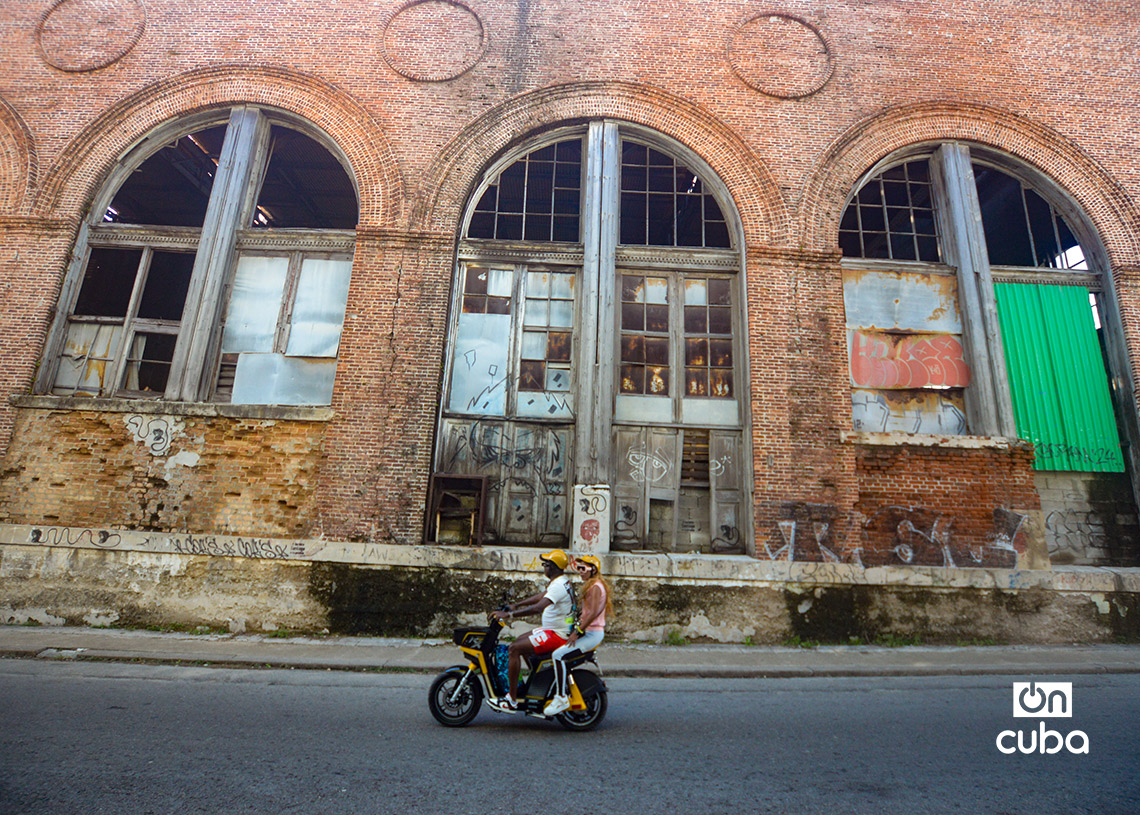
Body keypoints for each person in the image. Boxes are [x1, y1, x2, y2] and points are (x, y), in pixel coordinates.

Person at [489, 549, 575, 712]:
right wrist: (516, 605)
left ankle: (512, 700)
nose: (544, 567)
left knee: (514, 649)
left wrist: (509, 614)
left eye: (546, 564)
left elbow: (538, 608)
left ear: (554, 567)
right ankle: (536, 682)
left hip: (556, 634)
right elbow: (541, 596)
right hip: (552, 630)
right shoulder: (561, 581)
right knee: (519, 640)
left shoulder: (558, 586)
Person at [544, 553, 610, 716]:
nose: (579, 571)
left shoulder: (595, 587)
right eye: (577, 568)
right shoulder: (594, 584)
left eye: (582, 568)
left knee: (558, 655)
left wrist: (577, 632)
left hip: (592, 634)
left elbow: (593, 612)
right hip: (590, 632)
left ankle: (561, 697)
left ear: (592, 570)